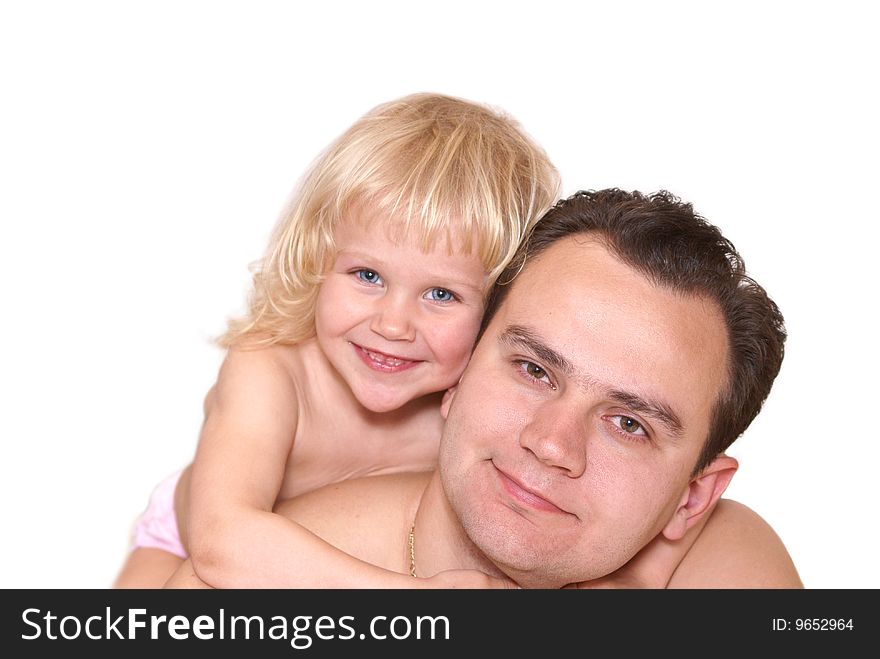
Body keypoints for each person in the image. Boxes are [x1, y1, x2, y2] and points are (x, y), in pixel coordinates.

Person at [167, 188, 802, 588]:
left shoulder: (726, 569)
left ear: (693, 499)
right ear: (460, 375)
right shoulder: (262, 586)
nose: (553, 444)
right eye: (534, 370)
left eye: (629, 424)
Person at [113, 92, 561, 588]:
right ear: (318, 259)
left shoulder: (469, 411)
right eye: (367, 275)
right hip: (194, 539)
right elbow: (220, 544)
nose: (393, 325)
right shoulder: (272, 370)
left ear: (497, 309)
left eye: (441, 293)